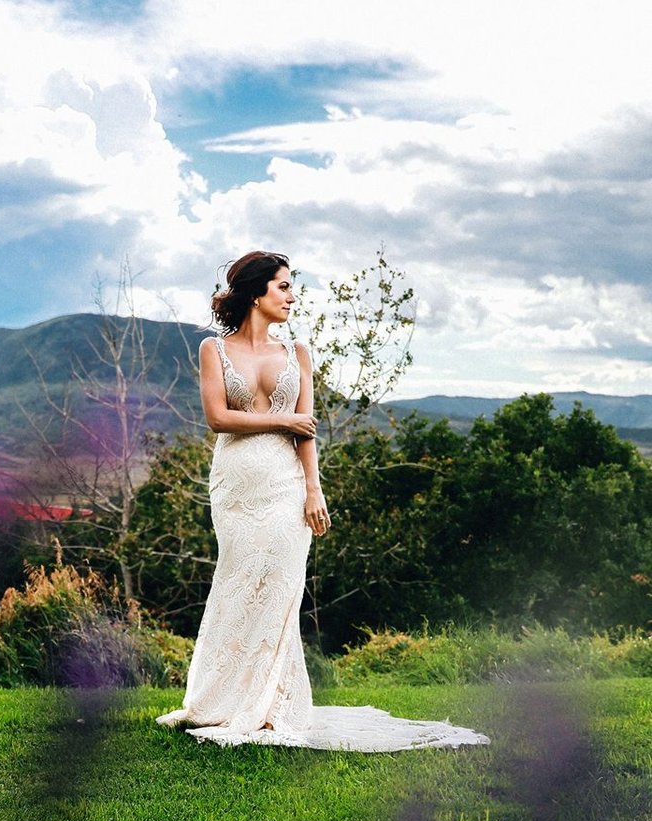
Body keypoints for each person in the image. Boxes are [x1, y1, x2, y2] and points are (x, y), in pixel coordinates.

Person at [157, 250, 488, 751]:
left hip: (288, 486)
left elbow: (307, 432)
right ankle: (217, 702)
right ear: (255, 293)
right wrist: (282, 421)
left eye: (292, 288)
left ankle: (270, 705)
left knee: (281, 589)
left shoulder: (298, 353)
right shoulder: (213, 350)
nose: (291, 297)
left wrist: (315, 489)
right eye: (283, 287)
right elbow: (219, 419)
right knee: (238, 582)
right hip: (236, 488)